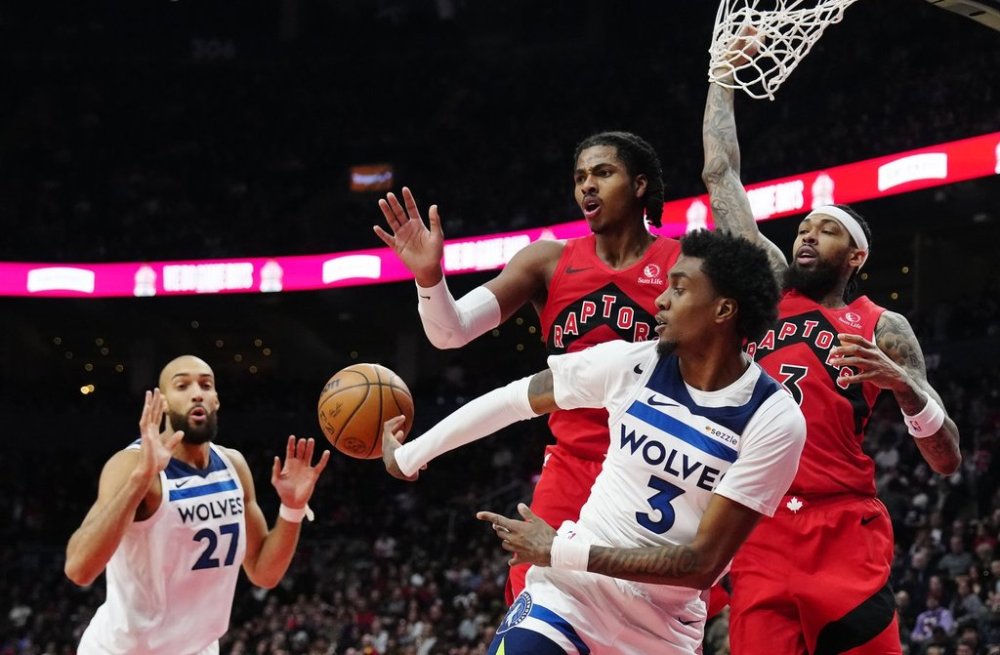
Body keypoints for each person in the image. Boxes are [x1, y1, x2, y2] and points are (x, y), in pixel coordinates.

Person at [383, 229, 807, 654]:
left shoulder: (773, 418)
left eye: (679, 289)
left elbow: (701, 564)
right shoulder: (633, 363)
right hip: (570, 597)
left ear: (723, 310)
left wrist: (560, 550)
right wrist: (411, 455)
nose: (660, 301)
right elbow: (513, 400)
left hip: (662, 629)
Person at [700, 34, 962, 654]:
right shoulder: (769, 285)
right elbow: (720, 174)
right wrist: (722, 76)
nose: (807, 236)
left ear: (857, 256)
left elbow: (947, 458)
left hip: (842, 522)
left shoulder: (883, 326)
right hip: (757, 520)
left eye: (826, 230)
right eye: (803, 228)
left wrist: (904, 387)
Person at [374, 131, 682, 604]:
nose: (587, 185)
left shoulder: (684, 265)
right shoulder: (547, 260)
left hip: (656, 465)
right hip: (571, 464)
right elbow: (450, 332)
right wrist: (429, 277)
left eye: (603, 173)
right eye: (580, 177)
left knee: (649, 611)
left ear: (640, 185)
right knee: (533, 605)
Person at [64, 355, 330, 655]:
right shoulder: (131, 465)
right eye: (182, 386)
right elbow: (79, 569)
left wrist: (292, 508)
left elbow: (263, 573)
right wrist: (139, 481)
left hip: (197, 648)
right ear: (163, 403)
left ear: (216, 400)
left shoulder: (233, 466)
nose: (197, 393)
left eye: (206, 385)